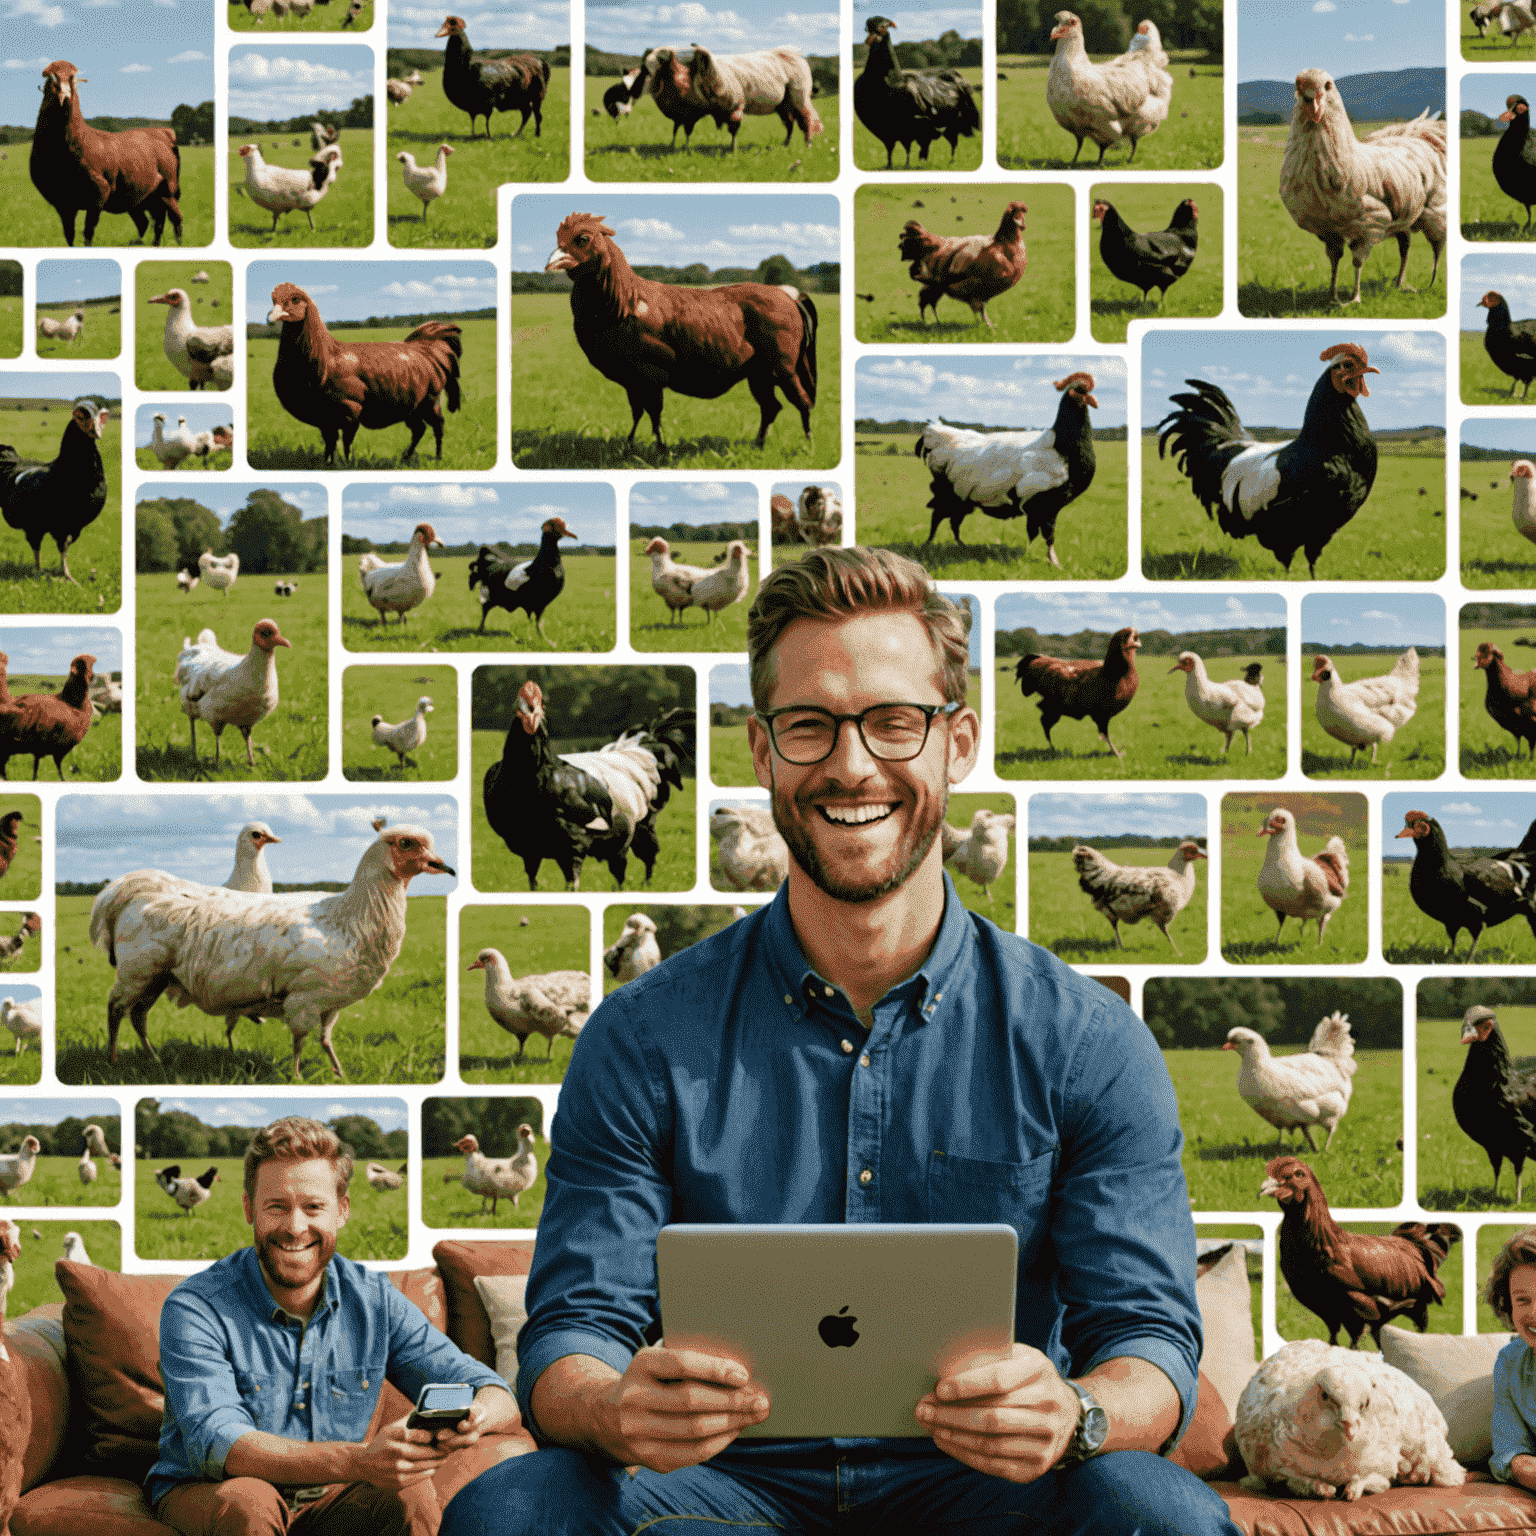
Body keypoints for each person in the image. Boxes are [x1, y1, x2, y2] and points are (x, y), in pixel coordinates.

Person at [442, 546, 1240, 1536]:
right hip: (713, 1489)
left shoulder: (1089, 1043)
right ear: (762, 750)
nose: (852, 765)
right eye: (810, 727)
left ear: (959, 743)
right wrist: (612, 1404)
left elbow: (1149, 1343)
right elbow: (572, 1330)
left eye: (894, 723)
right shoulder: (642, 1036)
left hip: (991, 1490)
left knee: (1161, 1512)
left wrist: (1077, 1412)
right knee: (512, 1510)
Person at [148, 1116, 522, 1536]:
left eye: (313, 1207)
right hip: (213, 1491)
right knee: (249, 1502)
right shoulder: (196, 1306)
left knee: (410, 1495)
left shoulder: (374, 1299)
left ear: (341, 1212)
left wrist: (474, 1417)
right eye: (276, 1206)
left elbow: (494, 1392)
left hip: (332, 1496)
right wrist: (358, 1460)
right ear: (249, 1208)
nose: (294, 1227)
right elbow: (222, 1441)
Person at [1488, 1226, 1536, 1487]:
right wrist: (1522, 1465)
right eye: (1523, 1300)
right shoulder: (1509, 1362)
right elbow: (1510, 1453)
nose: (1535, 1314)